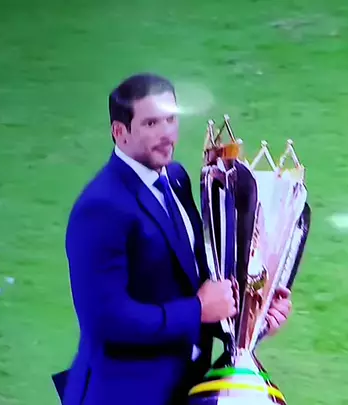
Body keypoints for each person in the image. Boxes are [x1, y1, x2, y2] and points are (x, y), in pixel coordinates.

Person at [54, 73, 293, 405]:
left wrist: (254, 317)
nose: (167, 133)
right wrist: (197, 310)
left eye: (171, 119)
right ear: (120, 132)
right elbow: (106, 320)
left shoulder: (176, 178)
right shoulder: (100, 208)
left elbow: (189, 280)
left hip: (186, 388)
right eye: (151, 123)